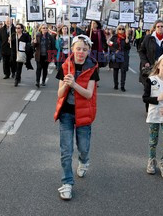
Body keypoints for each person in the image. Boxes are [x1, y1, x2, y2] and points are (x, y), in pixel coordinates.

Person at [55, 35, 99, 200]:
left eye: (84, 49)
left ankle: (83, 160)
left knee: (84, 147)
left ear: (88, 51)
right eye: (78, 48)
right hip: (66, 113)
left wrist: (74, 85)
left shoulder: (92, 69)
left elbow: (88, 94)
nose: (81, 52)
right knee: (66, 150)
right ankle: (67, 183)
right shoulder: (65, 67)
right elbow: (59, 95)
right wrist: (66, 84)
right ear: (72, 49)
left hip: (84, 114)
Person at [109, 25, 131, 91]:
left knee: (123, 71)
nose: (121, 30)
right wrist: (115, 50)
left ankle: (122, 86)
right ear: (117, 30)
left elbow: (128, 48)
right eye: (120, 29)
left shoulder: (126, 37)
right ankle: (116, 84)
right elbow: (110, 45)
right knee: (115, 70)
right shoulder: (114, 37)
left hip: (124, 56)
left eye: (122, 29)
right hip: (116, 55)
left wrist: (127, 42)